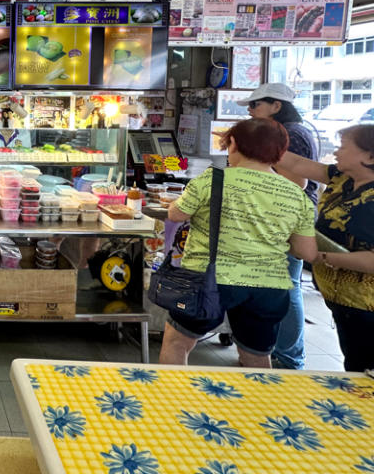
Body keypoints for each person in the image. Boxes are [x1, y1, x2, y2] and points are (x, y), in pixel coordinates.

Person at [159, 118, 317, 368]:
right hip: (267, 285)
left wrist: (174, 203)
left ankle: (172, 403)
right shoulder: (296, 195)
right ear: (280, 152)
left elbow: (176, 215)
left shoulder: (212, 180)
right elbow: (306, 251)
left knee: (177, 344)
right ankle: (259, 406)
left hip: (209, 280)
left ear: (232, 144)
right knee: (256, 355)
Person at [277, 124, 374, 372]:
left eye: (343, 147)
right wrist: (253, 142)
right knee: (354, 363)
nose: (337, 153)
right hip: (342, 301)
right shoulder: (342, 178)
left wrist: (321, 256)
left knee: (363, 370)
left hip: (365, 305)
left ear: (369, 156)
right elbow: (297, 165)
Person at [238, 83, 319, 369]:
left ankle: (288, 357)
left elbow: (295, 181)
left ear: (276, 106)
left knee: (287, 286)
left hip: (286, 219)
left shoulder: (290, 135)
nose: (250, 111)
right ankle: (278, 353)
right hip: (282, 218)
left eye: (255, 105)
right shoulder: (294, 131)